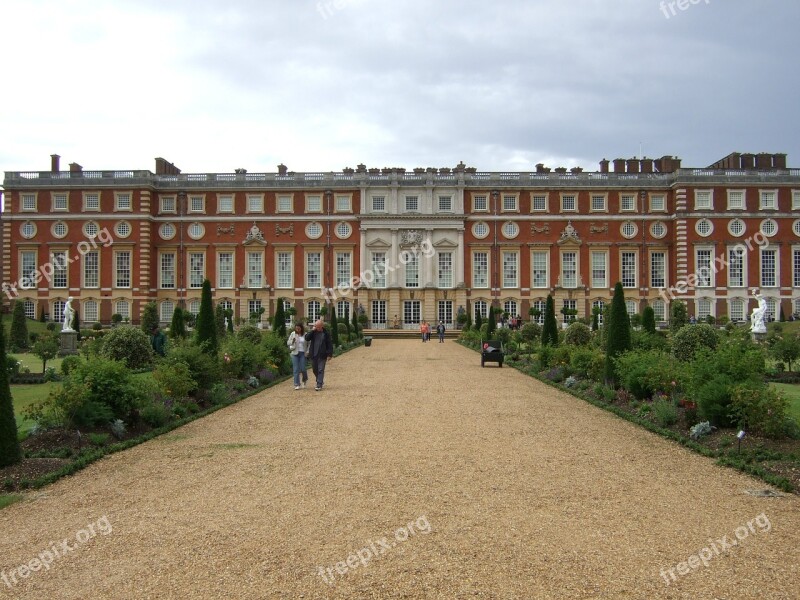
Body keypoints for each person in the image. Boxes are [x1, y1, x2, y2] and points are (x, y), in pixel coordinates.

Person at [305, 319, 333, 391]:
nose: (317, 328)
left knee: (321, 369)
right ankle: (319, 380)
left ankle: (319, 384)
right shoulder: (313, 332)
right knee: (315, 369)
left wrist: (329, 354)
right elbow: (307, 338)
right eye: (316, 326)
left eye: (319, 327)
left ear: (322, 326)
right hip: (313, 354)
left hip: (322, 354)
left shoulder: (326, 333)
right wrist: (312, 330)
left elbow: (329, 344)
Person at [287, 323, 309, 390]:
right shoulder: (293, 333)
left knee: (303, 369)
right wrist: (292, 341)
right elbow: (288, 342)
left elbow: (309, 344)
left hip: (303, 353)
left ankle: (304, 380)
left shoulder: (305, 334)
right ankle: (297, 384)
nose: (297, 330)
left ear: (301, 328)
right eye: (296, 328)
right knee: (296, 369)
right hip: (295, 353)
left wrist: (308, 352)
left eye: (298, 328)